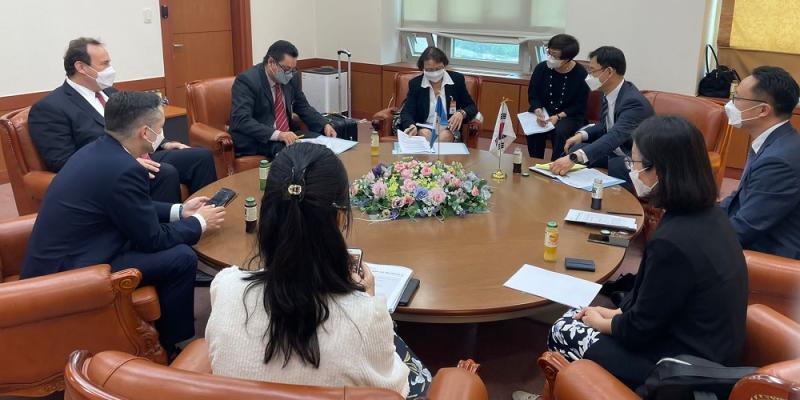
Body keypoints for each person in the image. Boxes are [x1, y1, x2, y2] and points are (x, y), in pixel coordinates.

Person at [515, 116, 748, 398]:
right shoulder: (711, 214)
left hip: (678, 368)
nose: (631, 170)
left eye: (634, 163)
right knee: (585, 312)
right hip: (708, 349)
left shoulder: (672, 242)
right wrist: (615, 314)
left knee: (563, 329)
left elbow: (638, 332)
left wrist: (603, 322)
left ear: (659, 170)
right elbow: (658, 304)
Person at [205, 143, 431, 399]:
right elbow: (395, 392)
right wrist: (367, 299)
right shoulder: (365, 318)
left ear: (267, 214)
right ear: (340, 218)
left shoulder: (225, 287)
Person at [20, 91, 226, 355]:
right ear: (145, 132)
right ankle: (173, 344)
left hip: (74, 251)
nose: (162, 134)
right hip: (73, 271)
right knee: (181, 257)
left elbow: (127, 206)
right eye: (160, 127)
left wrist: (180, 211)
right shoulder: (124, 168)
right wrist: (199, 223)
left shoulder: (101, 150)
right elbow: (154, 240)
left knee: (173, 249)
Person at [28, 37, 217, 203]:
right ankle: (169, 229)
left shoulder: (111, 93)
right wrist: (122, 163)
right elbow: (62, 161)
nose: (110, 69)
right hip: (107, 170)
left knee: (200, 157)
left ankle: (208, 216)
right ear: (81, 67)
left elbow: (137, 125)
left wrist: (164, 143)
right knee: (164, 172)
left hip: (141, 155)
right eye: (104, 64)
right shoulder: (50, 108)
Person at [719, 66, 800, 260]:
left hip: (769, 257)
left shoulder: (779, 161)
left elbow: (744, 229)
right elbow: (739, 198)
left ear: (763, 110)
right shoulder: (776, 141)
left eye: (737, 98)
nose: (730, 104)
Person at [550, 46, 653, 187]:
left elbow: (615, 135)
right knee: (575, 148)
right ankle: (560, 179)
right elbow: (606, 125)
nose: (589, 76)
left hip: (635, 159)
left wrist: (575, 157)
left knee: (615, 164)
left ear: (609, 72)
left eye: (592, 71)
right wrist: (582, 135)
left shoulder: (633, 102)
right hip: (615, 151)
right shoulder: (607, 93)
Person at [229, 40, 337, 159]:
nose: (290, 74)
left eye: (293, 69)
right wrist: (278, 134)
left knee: (321, 144)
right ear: (271, 62)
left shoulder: (291, 78)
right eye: (286, 69)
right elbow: (241, 120)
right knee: (292, 152)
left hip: (288, 134)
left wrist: (324, 124)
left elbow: (303, 107)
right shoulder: (247, 81)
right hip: (258, 139)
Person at [525, 34, 589, 160]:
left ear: (567, 59)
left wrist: (558, 116)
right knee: (534, 129)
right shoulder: (541, 68)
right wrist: (538, 110)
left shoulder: (580, 73)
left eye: (555, 56)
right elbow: (533, 94)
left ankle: (556, 164)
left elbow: (579, 105)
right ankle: (534, 161)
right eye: (549, 53)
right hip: (544, 111)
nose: (550, 58)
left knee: (560, 131)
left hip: (569, 115)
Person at [399, 46, 478, 143]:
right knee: (425, 134)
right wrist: (411, 125)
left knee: (445, 136)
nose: (434, 73)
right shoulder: (416, 84)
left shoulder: (456, 80)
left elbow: (471, 107)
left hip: (449, 128)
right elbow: (407, 112)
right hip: (424, 127)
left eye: (438, 68)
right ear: (422, 68)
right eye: (429, 70)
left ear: (444, 65)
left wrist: (461, 113)